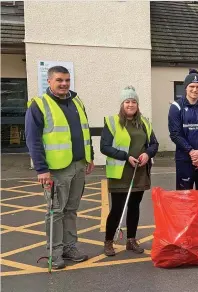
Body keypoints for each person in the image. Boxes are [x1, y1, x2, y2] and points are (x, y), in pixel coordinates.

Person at [25, 66, 95, 269]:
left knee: (71, 210)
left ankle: (70, 248)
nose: (64, 84)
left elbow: (85, 130)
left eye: (67, 80)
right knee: (55, 212)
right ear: (49, 81)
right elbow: (33, 140)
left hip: (78, 165)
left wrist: (89, 157)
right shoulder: (39, 105)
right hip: (56, 169)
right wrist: (41, 169)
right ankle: (54, 254)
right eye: (59, 80)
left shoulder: (76, 101)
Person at [101, 86, 159, 256]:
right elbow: (104, 147)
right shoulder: (112, 122)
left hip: (139, 171)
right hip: (120, 173)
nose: (130, 104)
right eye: (127, 101)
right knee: (117, 208)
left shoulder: (145, 122)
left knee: (134, 206)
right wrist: (126, 157)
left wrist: (147, 154)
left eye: (134, 101)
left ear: (137, 104)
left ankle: (131, 240)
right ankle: (109, 241)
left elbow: (154, 144)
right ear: (122, 104)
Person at [168, 69, 198, 240]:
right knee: (185, 196)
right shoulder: (176, 107)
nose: (195, 90)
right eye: (191, 86)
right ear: (185, 88)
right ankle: (185, 230)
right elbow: (175, 134)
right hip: (185, 159)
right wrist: (191, 151)